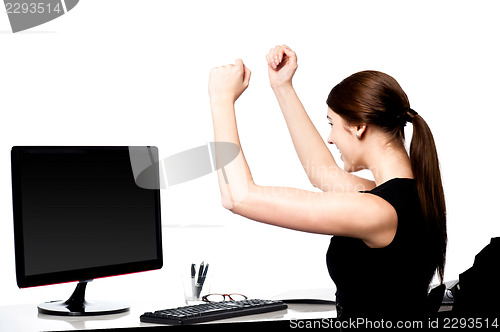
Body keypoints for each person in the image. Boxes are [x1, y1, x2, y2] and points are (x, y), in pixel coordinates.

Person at [208, 45, 447, 319]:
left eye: (331, 123)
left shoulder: (377, 210)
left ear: (359, 127)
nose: (330, 138)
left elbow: (238, 197)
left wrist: (220, 100)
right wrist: (282, 86)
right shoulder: (405, 196)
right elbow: (322, 173)